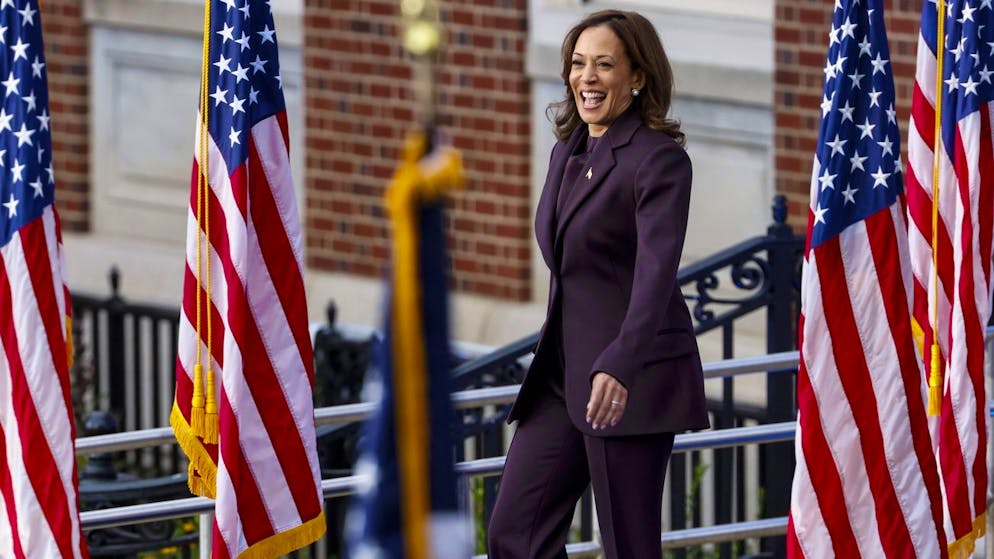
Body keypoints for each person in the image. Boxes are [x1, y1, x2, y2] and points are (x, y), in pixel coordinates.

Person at [486, 9, 709, 559]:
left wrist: (621, 363)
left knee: (628, 547)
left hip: (625, 380)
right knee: (515, 535)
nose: (587, 77)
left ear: (637, 77)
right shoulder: (568, 151)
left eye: (604, 65)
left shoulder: (659, 161)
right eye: (578, 63)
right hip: (562, 378)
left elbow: (656, 275)